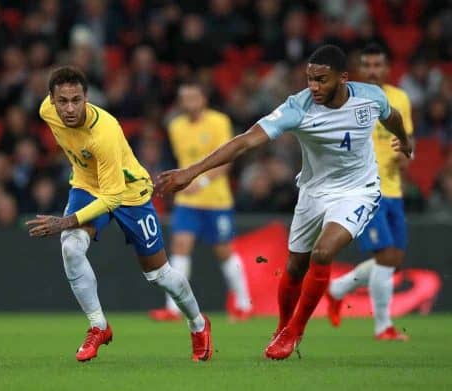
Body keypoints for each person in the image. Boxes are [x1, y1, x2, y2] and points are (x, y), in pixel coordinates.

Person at [155, 45, 412, 360]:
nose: (313, 87)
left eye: (322, 80)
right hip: (313, 192)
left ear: (343, 78)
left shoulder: (370, 98)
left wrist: (407, 143)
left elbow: (394, 117)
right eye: (309, 79)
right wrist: (192, 172)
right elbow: (247, 140)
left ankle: (295, 331)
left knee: (323, 252)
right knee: (294, 266)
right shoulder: (298, 107)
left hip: (358, 190)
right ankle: (281, 326)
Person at [27, 67, 212, 362]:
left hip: (128, 193)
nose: (70, 108)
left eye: (77, 100)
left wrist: (66, 221)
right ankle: (98, 326)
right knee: (71, 247)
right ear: (51, 100)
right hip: (87, 186)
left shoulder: (105, 132)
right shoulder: (46, 112)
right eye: (63, 101)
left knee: (160, 275)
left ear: (87, 98)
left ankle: (198, 325)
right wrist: (69, 226)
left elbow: (112, 197)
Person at [327, 44, 414, 341]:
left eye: (378, 65)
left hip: (394, 190)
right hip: (365, 189)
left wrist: (405, 154)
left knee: (393, 260)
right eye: (368, 65)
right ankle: (383, 326)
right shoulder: (349, 98)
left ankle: (338, 288)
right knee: (386, 256)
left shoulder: (400, 98)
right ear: (359, 69)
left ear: (388, 68)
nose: (373, 70)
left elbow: (405, 139)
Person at [149, 81, 253, 322]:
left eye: (194, 97)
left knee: (224, 252)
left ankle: (243, 304)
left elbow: (228, 160)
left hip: (216, 200)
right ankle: (173, 309)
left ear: (203, 99)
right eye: (185, 98)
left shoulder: (219, 122)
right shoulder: (175, 126)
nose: (190, 102)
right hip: (187, 201)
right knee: (180, 246)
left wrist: (202, 182)